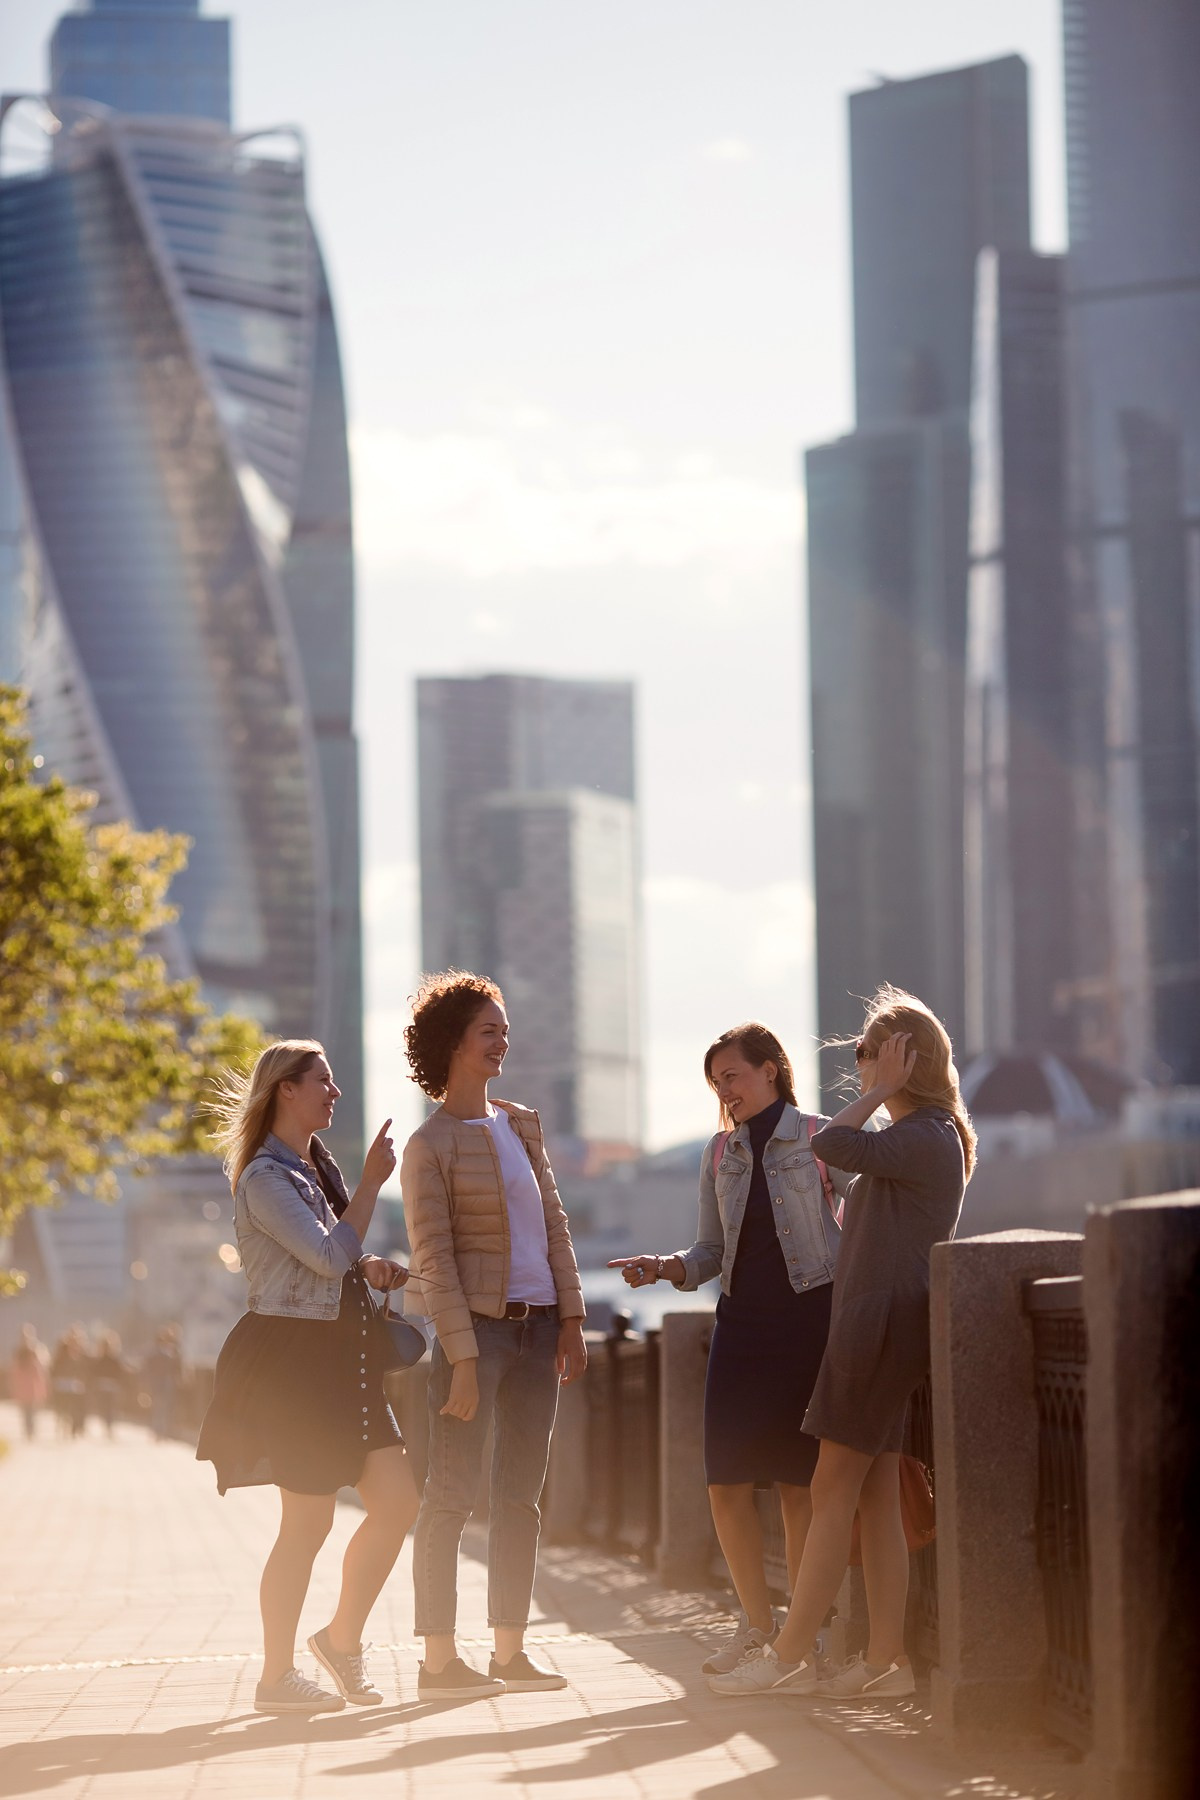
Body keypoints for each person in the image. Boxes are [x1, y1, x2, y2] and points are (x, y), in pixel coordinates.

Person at [708, 986, 974, 1700]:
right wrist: (887, 1088)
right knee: (877, 1499)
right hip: (884, 1323)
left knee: (831, 1492)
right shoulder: (927, 1137)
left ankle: (790, 1654)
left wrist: (884, 1090)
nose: (859, 1069)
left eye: (870, 1056)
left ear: (904, 1060)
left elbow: (825, 1142)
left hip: (877, 1328)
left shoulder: (922, 1136)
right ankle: (888, 1661)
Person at [608, 1022, 845, 1674]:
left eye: (733, 1076)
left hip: (808, 1323)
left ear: (771, 1069)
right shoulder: (720, 1154)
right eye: (717, 1083)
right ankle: (756, 1627)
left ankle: (804, 1635)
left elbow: (875, 1206)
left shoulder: (824, 1137)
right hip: (741, 1329)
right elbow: (710, 1251)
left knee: (799, 1488)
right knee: (725, 1483)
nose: (725, 1091)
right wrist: (662, 1266)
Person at [196, 1039, 418, 1716]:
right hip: (299, 1367)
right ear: (285, 1090)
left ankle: (340, 1640)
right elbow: (324, 1257)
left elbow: (335, 1254)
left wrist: (370, 1265)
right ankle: (276, 1679)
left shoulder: (311, 1165)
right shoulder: (265, 1176)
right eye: (323, 1079)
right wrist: (376, 1182)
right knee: (307, 1522)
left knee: (399, 1502)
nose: (335, 1091)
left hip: (344, 1360)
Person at [401, 971, 587, 1701]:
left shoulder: (521, 1129)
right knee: (449, 1497)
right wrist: (462, 1357)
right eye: (489, 1029)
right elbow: (434, 1261)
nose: (502, 1039)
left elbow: (555, 1227)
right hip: (474, 1337)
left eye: (504, 1028)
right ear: (453, 1043)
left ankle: (510, 1653)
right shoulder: (429, 1145)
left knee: (519, 1498)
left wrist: (571, 1319)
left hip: (539, 1333)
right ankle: (439, 1663)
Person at [142, 1324, 185, 1441]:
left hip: (164, 1382)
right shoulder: (165, 1352)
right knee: (161, 1407)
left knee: (162, 1407)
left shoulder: (169, 1351)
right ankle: (160, 1431)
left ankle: (161, 1431)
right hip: (162, 1382)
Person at [9, 1324, 50, 1440]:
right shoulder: (18, 1352)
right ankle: (27, 1431)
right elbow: (15, 1369)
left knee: (32, 1411)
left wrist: (42, 1387)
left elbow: (41, 1370)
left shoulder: (36, 1350)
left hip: (33, 1386)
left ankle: (31, 1431)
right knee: (24, 1411)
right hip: (22, 1386)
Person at [88, 1329, 129, 1436]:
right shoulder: (101, 1359)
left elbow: (119, 1372)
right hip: (104, 1385)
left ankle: (108, 1426)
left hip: (111, 1386)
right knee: (105, 1407)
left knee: (109, 1407)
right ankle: (107, 1426)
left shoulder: (114, 1359)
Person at [50, 1326, 89, 1438]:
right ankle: (62, 1425)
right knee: (62, 1407)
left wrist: (82, 1380)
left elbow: (85, 1367)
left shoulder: (82, 1351)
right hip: (62, 1383)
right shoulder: (62, 1350)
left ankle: (74, 1429)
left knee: (75, 1408)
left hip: (75, 1384)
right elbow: (55, 1366)